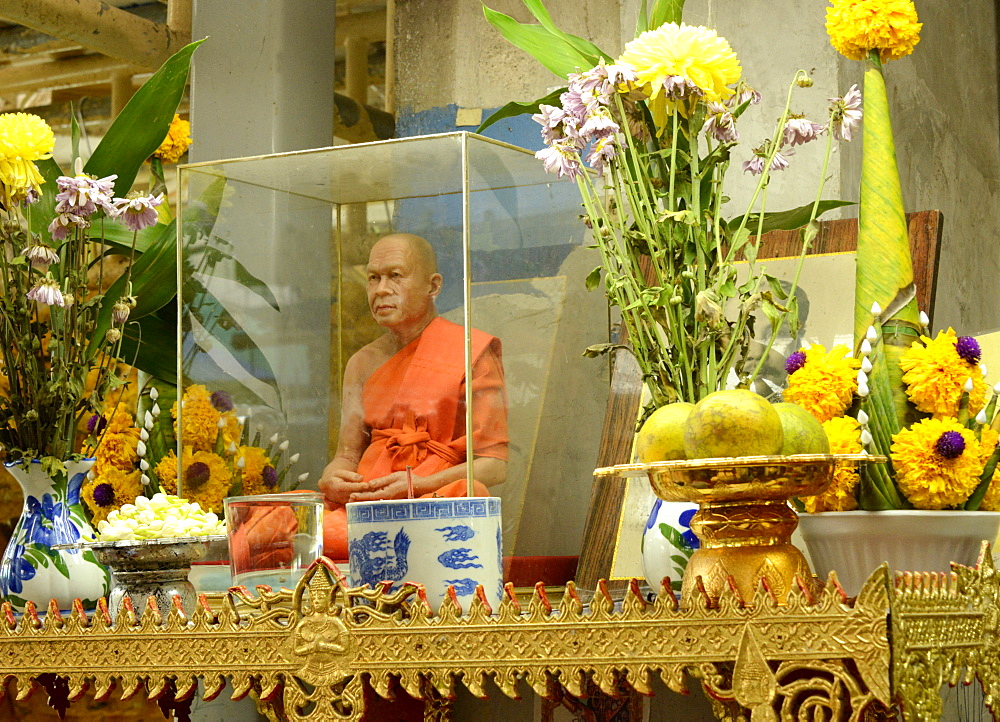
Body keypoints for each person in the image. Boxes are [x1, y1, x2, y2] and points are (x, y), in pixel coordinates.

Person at [319, 233, 509, 559]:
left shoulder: (470, 352)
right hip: (368, 499)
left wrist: (417, 485)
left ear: (433, 286)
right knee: (277, 525)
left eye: (395, 276)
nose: (381, 289)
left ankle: (375, 542)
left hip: (431, 499)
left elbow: (494, 467)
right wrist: (331, 477)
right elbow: (347, 455)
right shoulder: (362, 363)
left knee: (470, 493)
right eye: (373, 278)